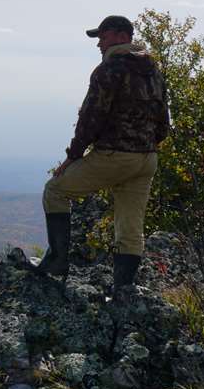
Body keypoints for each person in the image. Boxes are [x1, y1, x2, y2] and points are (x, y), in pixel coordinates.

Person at [36, 15, 170, 286]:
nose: (99, 44)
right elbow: (163, 123)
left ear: (122, 36)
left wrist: (73, 156)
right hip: (147, 159)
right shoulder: (153, 71)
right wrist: (145, 146)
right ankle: (123, 291)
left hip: (115, 155)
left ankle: (57, 263)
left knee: (55, 191)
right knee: (130, 228)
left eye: (103, 36)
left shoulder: (110, 69)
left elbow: (91, 117)